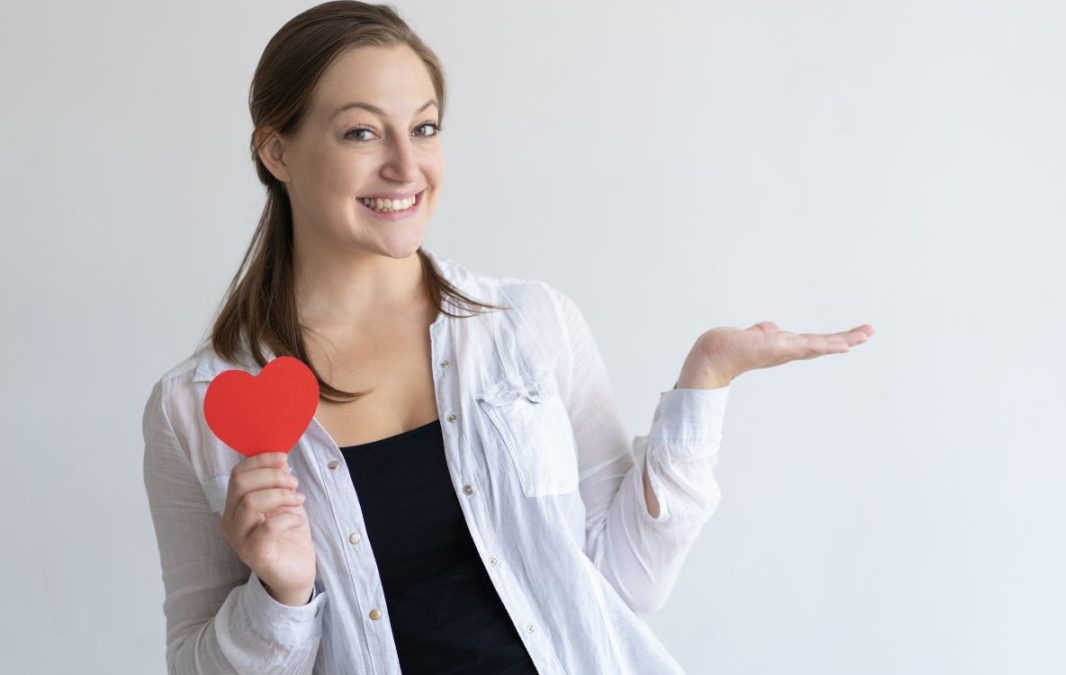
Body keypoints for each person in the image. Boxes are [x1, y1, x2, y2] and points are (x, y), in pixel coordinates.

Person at [142, 2, 874, 673]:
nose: (407, 165)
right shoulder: (193, 408)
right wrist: (280, 594)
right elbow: (192, 662)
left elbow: (628, 579)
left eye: (424, 127)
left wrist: (704, 381)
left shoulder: (531, 324)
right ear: (277, 152)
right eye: (362, 131)